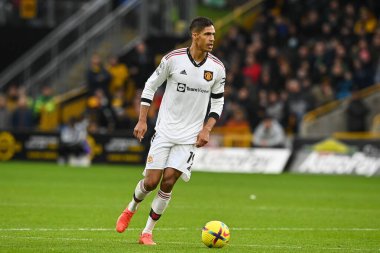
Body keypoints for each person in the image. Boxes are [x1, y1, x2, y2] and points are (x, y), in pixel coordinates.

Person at [115, 17, 225, 245]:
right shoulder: (172, 60)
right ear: (195, 35)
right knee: (151, 182)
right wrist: (142, 120)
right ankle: (131, 208)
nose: (212, 39)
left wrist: (207, 129)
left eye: (213, 35)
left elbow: (217, 102)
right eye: (207, 34)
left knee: (168, 182)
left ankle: (147, 232)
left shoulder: (217, 68)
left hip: (189, 137)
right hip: (164, 131)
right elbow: (150, 85)